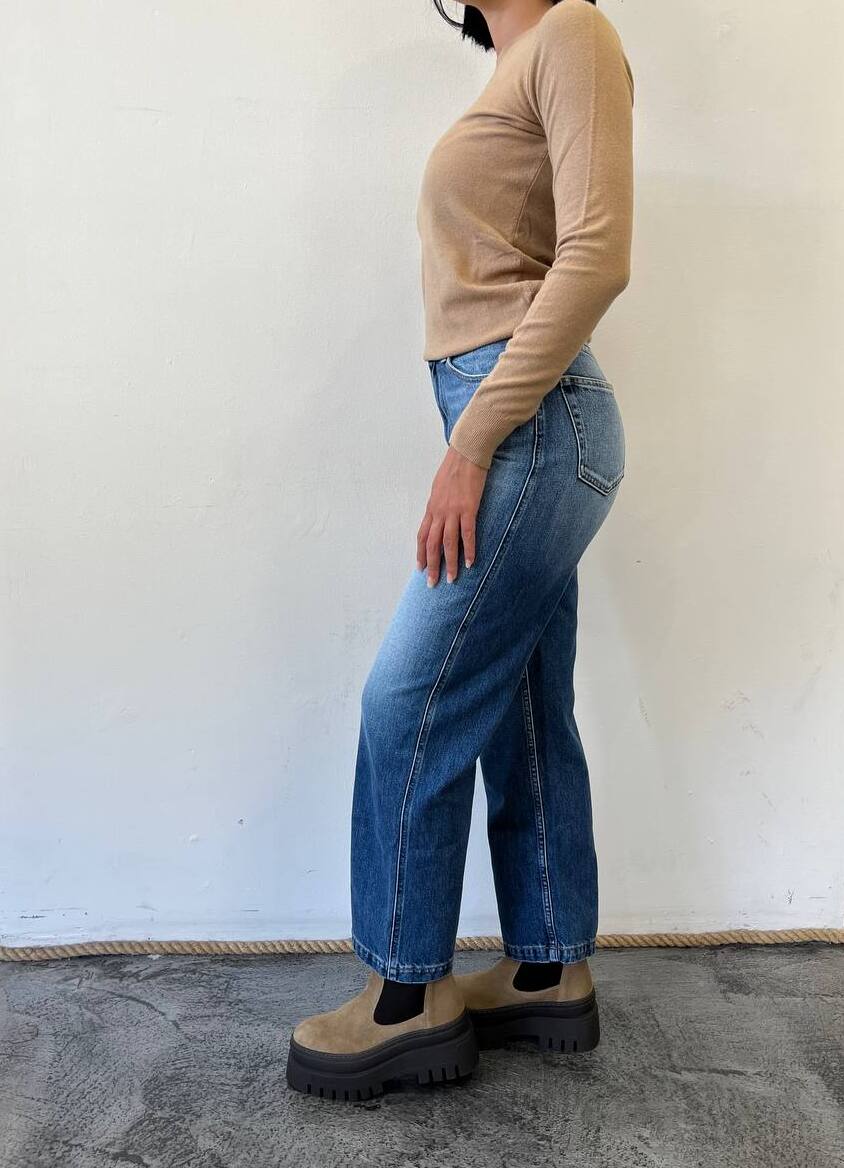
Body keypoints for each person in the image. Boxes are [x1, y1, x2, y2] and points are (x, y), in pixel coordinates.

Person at [287, 0, 634, 1100]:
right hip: (515, 419)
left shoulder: (573, 31)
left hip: (529, 424)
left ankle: (406, 1000)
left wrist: (474, 441)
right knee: (523, 705)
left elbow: (598, 255)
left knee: (409, 700)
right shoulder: (522, 65)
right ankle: (545, 967)